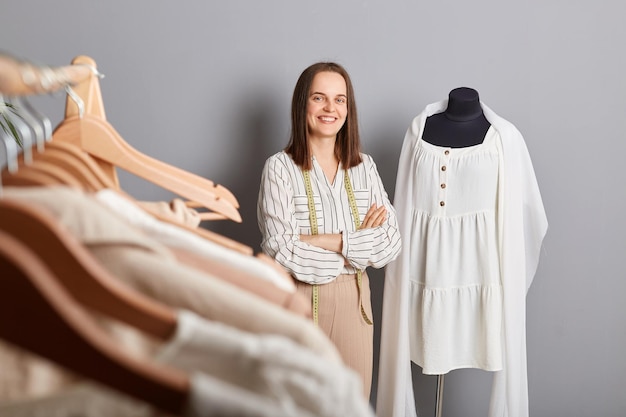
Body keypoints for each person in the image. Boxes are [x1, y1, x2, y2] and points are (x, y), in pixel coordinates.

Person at [257, 62, 401, 399]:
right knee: (299, 403)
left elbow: (391, 242)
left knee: (352, 403)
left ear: (348, 110)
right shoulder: (279, 168)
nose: (329, 109)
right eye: (319, 98)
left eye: (339, 100)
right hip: (300, 302)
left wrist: (325, 241)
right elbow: (281, 250)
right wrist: (354, 255)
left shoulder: (364, 167)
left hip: (356, 305)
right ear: (302, 105)